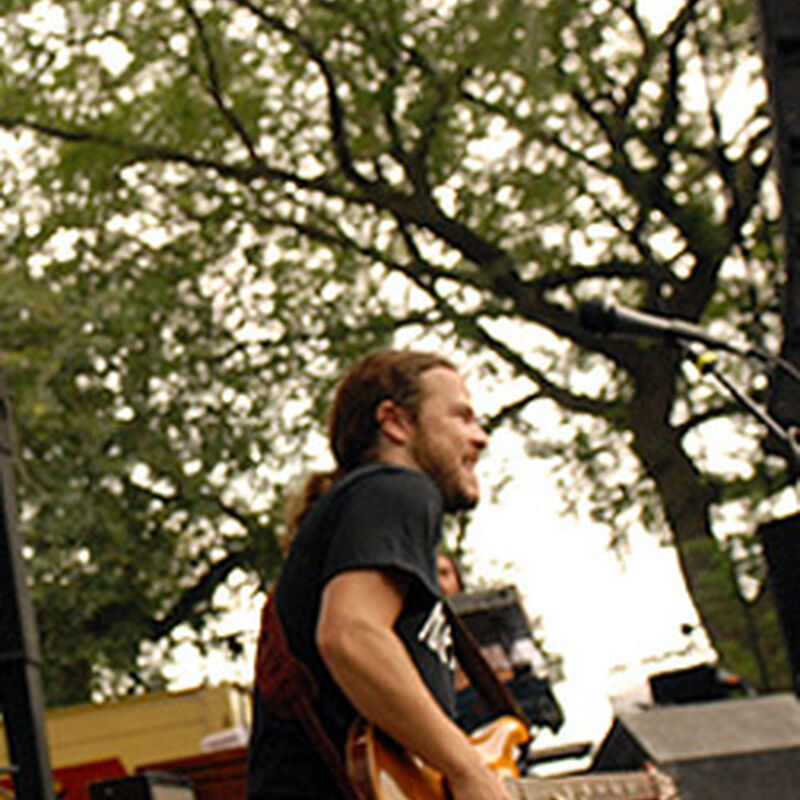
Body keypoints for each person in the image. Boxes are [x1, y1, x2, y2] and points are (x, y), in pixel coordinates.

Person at [247, 349, 514, 800]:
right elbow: (351, 635)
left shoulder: (358, 509)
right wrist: (467, 768)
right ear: (395, 423)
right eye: (462, 417)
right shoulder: (399, 488)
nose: (480, 437)